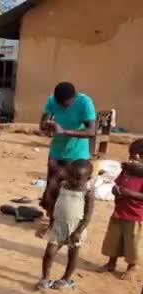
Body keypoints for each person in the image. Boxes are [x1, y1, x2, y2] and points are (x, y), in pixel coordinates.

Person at [39, 82, 96, 222]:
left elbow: (91, 131)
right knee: (52, 189)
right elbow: (42, 123)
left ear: (74, 97)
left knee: (72, 192)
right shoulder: (52, 100)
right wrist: (46, 125)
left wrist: (64, 131)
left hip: (77, 155)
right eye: (60, 103)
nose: (62, 106)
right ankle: (52, 222)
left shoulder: (84, 102)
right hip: (56, 153)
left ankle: (74, 223)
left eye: (66, 103)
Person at [35, 160, 94, 290]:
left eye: (78, 178)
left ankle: (66, 279)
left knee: (72, 255)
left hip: (76, 228)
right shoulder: (62, 186)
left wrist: (79, 231)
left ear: (88, 179)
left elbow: (88, 216)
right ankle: (45, 278)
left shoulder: (87, 193)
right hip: (59, 226)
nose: (73, 180)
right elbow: (56, 206)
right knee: (49, 253)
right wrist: (50, 224)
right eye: (70, 175)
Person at [99, 139, 143, 280]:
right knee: (114, 239)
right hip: (119, 212)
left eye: (136, 155)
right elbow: (116, 184)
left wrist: (129, 193)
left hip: (136, 215)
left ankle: (132, 267)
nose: (133, 158)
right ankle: (111, 263)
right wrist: (115, 190)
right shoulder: (127, 171)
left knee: (133, 243)